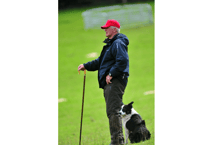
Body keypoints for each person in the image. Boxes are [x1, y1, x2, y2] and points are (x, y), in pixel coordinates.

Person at [78, 19, 129, 145]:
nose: (105, 29)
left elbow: (122, 61)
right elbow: (100, 61)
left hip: (115, 82)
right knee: (113, 111)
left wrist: (111, 74)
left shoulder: (118, 43)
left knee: (113, 111)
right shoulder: (111, 45)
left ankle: (117, 142)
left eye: (107, 27)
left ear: (115, 29)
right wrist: (86, 65)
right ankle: (119, 140)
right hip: (111, 83)